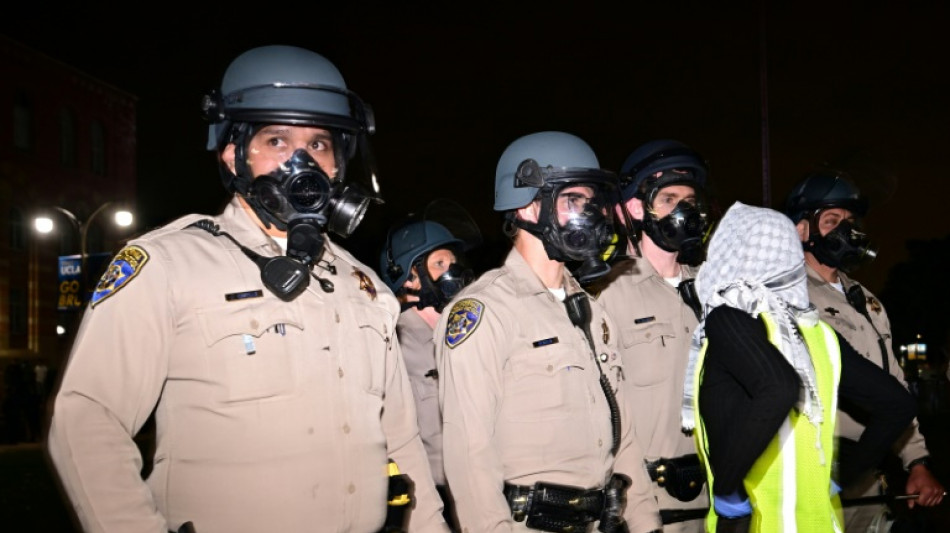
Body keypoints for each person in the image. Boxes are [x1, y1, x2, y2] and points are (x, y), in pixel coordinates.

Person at [47, 44, 448, 533]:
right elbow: (88, 419)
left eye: (319, 144)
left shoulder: (363, 287)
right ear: (234, 152)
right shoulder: (168, 263)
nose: (302, 161)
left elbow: (402, 442)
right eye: (277, 141)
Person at [435, 131, 662, 533]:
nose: (590, 216)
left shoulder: (591, 309)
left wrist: (647, 524)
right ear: (525, 207)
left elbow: (624, 439)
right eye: (573, 200)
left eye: (593, 203)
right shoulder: (484, 311)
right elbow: (470, 456)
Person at [680, 201, 917, 533]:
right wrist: (842, 476)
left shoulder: (729, 319)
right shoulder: (818, 332)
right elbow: (899, 404)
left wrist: (728, 490)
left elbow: (779, 388)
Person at [784, 171, 945, 530]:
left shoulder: (867, 301)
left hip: (869, 477)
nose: (846, 230)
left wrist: (916, 463)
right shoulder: (786, 296)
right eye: (831, 221)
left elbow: (894, 385)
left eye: (849, 221)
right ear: (802, 230)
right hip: (812, 473)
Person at [589, 139, 714, 532]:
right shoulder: (605, 295)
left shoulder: (713, 291)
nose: (685, 211)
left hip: (715, 500)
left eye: (689, 200)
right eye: (670, 198)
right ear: (635, 208)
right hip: (645, 505)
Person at [380, 218, 476, 531]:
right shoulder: (392, 343)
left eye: (452, 261)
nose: (453, 270)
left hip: (482, 486)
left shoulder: (466, 329)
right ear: (410, 276)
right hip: (432, 499)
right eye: (439, 262)